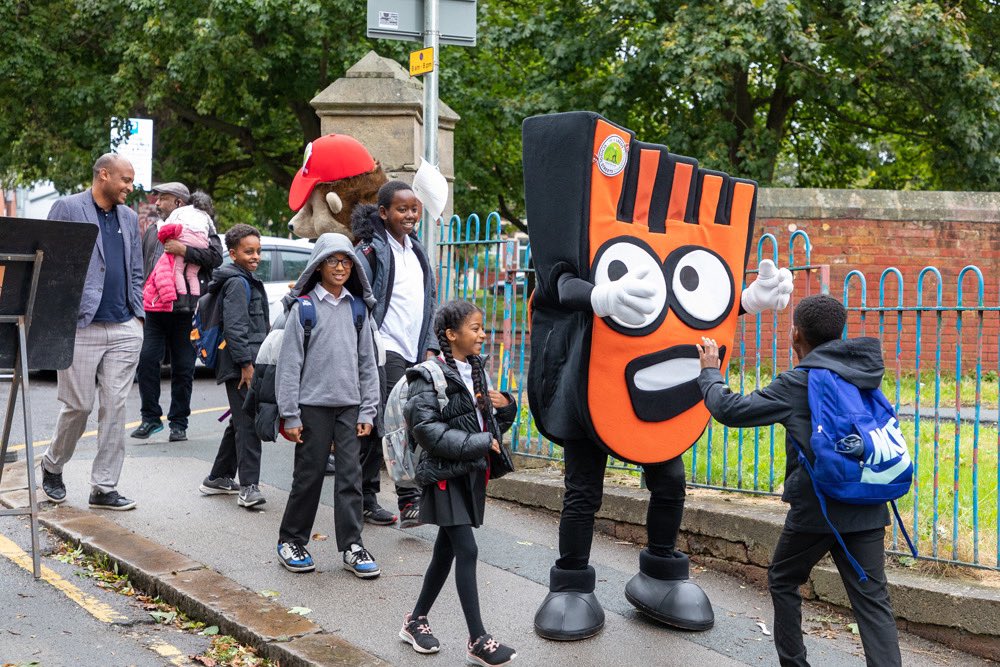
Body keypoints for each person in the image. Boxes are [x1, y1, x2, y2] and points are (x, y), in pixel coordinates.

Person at [696, 294, 901, 667]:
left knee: (783, 578)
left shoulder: (798, 382)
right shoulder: (865, 373)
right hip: (869, 500)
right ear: (840, 332)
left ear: (795, 336)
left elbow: (730, 409)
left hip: (818, 507)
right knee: (873, 602)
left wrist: (710, 373)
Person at [399, 300, 517, 666]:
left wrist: (505, 407)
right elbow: (428, 431)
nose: (483, 335)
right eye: (476, 328)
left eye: (482, 328)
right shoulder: (427, 375)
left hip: (469, 474)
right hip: (443, 477)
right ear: (452, 335)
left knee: (445, 552)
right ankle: (478, 639)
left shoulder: (476, 368)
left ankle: (414, 620)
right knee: (466, 550)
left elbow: (485, 427)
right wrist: (480, 443)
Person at [39, 153, 144, 511]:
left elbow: (136, 269)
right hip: (80, 326)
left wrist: (138, 315)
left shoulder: (129, 218)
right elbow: (48, 261)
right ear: (104, 175)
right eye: (125, 180)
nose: (130, 187)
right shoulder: (67, 208)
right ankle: (52, 465)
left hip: (124, 325)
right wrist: (55, 317)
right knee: (79, 406)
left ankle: (103, 488)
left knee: (115, 408)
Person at [274, 233, 381, 578]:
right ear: (319, 265)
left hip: (350, 408)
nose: (340, 267)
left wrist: (368, 410)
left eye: (347, 261)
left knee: (350, 477)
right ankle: (291, 539)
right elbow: (289, 367)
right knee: (309, 476)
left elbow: (368, 362)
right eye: (333, 260)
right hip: (311, 407)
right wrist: (290, 414)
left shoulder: (357, 309)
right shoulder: (304, 309)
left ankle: (352, 545)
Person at [352, 180, 438, 528]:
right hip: (383, 347)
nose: (410, 215)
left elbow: (428, 302)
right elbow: (358, 302)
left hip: (414, 348)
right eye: (402, 209)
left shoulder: (416, 251)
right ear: (384, 212)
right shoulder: (370, 251)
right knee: (390, 423)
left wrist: (430, 344)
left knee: (406, 421)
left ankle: (361, 494)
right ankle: (401, 499)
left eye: (414, 208)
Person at [133, 189, 223, 441]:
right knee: (147, 361)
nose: (157, 203)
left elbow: (216, 257)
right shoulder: (153, 230)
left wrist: (183, 249)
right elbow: (142, 265)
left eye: (162, 198)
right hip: (155, 309)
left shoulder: (202, 223)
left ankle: (178, 423)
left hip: (187, 309)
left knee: (183, 368)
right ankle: (150, 418)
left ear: (178, 202)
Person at [200, 224, 269, 508]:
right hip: (241, 365)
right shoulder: (237, 283)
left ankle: (218, 477)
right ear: (232, 253)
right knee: (249, 424)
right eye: (248, 251)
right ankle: (249, 487)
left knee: (240, 420)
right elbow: (236, 327)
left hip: (247, 361)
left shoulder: (244, 279)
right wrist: (246, 365)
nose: (255, 256)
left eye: (258, 251)